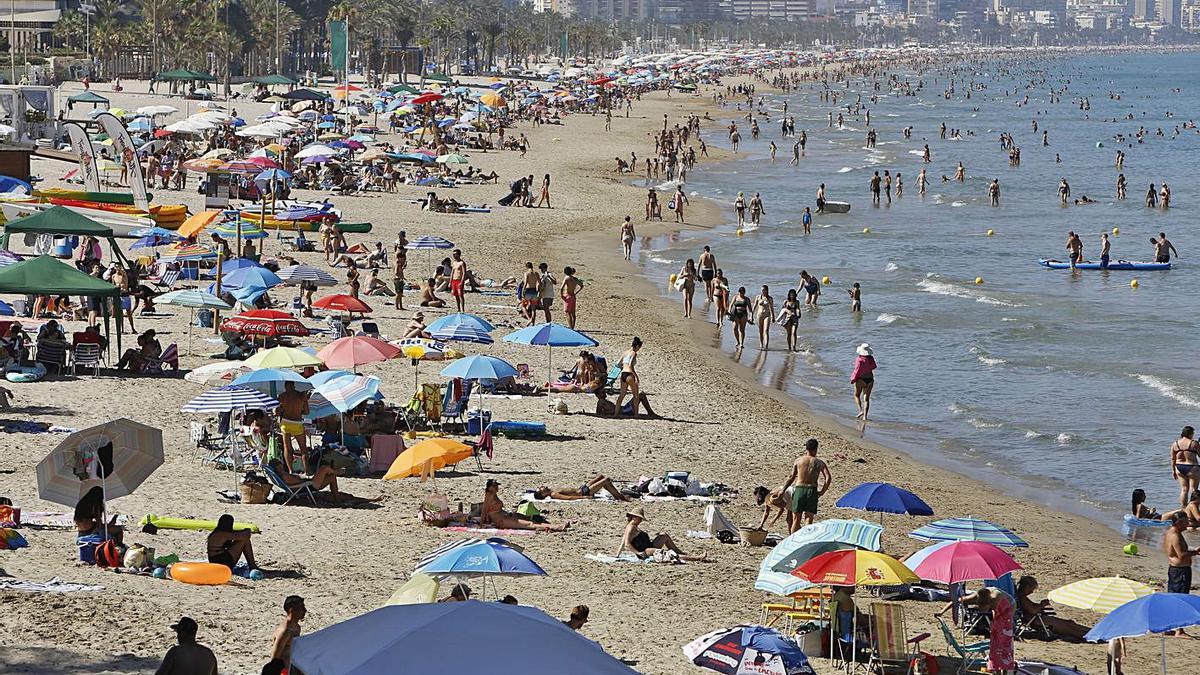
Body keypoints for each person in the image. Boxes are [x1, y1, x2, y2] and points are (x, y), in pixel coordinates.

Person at [937, 588, 1015, 675]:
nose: (981, 610)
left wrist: (996, 626)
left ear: (989, 604)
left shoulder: (996, 598)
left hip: (1010, 605)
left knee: (1004, 641)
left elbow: (1001, 618)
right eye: (980, 607)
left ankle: (1005, 670)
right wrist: (941, 612)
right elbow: (956, 601)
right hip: (995, 608)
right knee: (996, 639)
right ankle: (996, 670)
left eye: (983, 608)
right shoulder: (975, 597)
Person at [1015, 575, 1091, 641]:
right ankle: (1089, 635)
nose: (1032, 592)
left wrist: (1041, 604)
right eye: (1032, 589)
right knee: (1068, 626)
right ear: (1027, 587)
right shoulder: (1022, 598)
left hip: (1037, 619)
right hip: (1037, 620)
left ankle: (1091, 632)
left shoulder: (1021, 597)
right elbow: (1033, 610)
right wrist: (1042, 604)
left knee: (1070, 623)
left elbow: (1031, 607)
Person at [617, 506, 705, 562]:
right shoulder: (630, 527)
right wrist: (639, 553)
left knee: (664, 536)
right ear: (634, 517)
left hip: (649, 545)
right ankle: (696, 558)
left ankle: (683, 554)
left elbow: (622, 542)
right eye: (640, 518)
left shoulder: (634, 526)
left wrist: (617, 555)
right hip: (645, 551)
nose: (640, 520)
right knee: (669, 554)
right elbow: (626, 543)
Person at [782, 438, 831, 531]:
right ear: (816, 449)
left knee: (796, 519)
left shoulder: (798, 460)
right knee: (808, 519)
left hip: (799, 489)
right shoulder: (819, 462)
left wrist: (783, 490)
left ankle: (793, 542)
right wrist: (822, 491)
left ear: (806, 448)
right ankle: (806, 542)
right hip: (812, 490)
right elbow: (828, 478)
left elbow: (791, 477)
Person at [482, 479, 569, 531]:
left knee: (528, 518)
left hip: (506, 515)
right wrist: (481, 524)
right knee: (529, 524)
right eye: (495, 486)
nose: (497, 488)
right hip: (501, 521)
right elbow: (484, 510)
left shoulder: (493, 494)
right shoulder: (489, 496)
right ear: (490, 487)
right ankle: (557, 527)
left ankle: (552, 525)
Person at [1164, 511, 1197, 605]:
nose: (1188, 524)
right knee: (1180, 598)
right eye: (1186, 522)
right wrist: (1195, 552)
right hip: (1180, 571)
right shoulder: (1175, 535)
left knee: (1174, 596)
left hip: (1176, 570)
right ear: (1179, 523)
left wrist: (1193, 550)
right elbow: (1181, 555)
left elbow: (1176, 550)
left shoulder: (1171, 532)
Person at [277, 381, 310, 474]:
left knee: (287, 447)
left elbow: (277, 412)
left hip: (285, 422)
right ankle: (306, 471)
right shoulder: (301, 396)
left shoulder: (282, 396)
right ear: (294, 386)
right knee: (303, 448)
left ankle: (291, 470)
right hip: (297, 422)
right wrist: (299, 411)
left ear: (285, 387)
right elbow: (307, 412)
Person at [533, 476, 631, 502]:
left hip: (582, 488)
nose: (542, 486)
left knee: (601, 477)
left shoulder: (552, 490)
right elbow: (568, 498)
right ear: (543, 494)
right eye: (541, 489)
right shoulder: (553, 494)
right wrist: (584, 498)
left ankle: (618, 496)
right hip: (583, 492)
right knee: (606, 480)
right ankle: (620, 497)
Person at [270, 596, 306, 666]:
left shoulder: (297, 627)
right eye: (301, 608)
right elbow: (274, 658)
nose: (305, 610)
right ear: (291, 611)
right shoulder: (285, 632)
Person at [613, 337, 642, 417]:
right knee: (636, 395)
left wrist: (623, 367)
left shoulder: (625, 352)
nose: (638, 349)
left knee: (622, 395)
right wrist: (636, 376)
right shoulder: (634, 353)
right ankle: (636, 415)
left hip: (623, 374)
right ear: (637, 346)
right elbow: (630, 365)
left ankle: (615, 414)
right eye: (639, 347)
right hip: (629, 374)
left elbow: (618, 363)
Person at [1171, 426, 1199, 509]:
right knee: (1193, 489)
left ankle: (1183, 509)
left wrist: (1173, 470)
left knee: (1184, 489)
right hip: (1192, 467)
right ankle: (1194, 508)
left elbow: (1173, 458)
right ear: (1190, 433)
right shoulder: (1194, 443)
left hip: (1179, 467)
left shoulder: (1175, 443)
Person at [851, 343, 877, 420]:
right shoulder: (871, 358)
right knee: (866, 399)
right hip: (870, 379)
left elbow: (857, 371)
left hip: (861, 379)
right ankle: (865, 417)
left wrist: (853, 379)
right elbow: (874, 367)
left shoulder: (859, 359)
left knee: (856, 395)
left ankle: (860, 411)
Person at [751, 285, 774, 350]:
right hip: (759, 315)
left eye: (764, 290)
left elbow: (771, 308)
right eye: (762, 290)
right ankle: (761, 344)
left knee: (766, 330)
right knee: (760, 331)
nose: (763, 291)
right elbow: (754, 306)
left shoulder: (770, 298)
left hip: (767, 315)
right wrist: (751, 315)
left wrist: (773, 317)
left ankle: (766, 346)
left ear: (767, 290)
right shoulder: (758, 297)